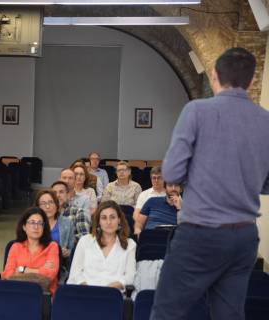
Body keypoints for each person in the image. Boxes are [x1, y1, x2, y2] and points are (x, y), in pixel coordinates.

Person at [150, 48, 269, 320]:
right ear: (251, 81)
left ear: (214, 76)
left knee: (166, 312)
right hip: (244, 237)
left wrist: (204, 174)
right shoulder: (266, 121)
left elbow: (172, 170)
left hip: (201, 233)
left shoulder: (197, 111)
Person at [67, 200, 136, 289]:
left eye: (112, 217)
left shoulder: (130, 244)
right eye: (104, 218)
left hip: (113, 294)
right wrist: (88, 288)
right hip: (85, 293)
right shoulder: (85, 241)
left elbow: (130, 277)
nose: (108, 222)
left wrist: (110, 288)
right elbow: (75, 273)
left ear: (119, 220)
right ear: (98, 221)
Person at [1, 207, 60, 295]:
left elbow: (49, 275)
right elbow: (7, 274)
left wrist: (22, 269)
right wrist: (39, 271)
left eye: (40, 223)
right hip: (17, 293)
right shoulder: (15, 247)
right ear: (24, 227)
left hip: (44, 296)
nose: (36, 227)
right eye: (32, 222)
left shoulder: (52, 247)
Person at [35, 189, 74, 260]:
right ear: (38, 207)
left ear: (56, 205)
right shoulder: (33, 223)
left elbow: (72, 248)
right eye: (43, 203)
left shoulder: (67, 222)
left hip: (59, 263)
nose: (47, 207)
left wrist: (67, 252)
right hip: (36, 262)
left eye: (51, 202)